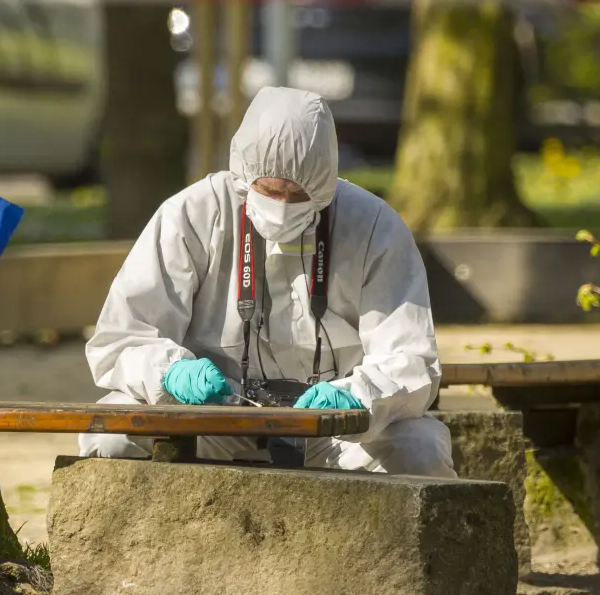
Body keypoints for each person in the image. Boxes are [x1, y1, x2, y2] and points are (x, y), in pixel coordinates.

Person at [81, 86, 456, 478]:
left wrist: (354, 399)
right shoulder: (191, 215)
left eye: (298, 195)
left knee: (418, 450)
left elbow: (411, 360)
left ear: (326, 185)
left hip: (339, 434)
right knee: (112, 439)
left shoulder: (374, 228)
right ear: (244, 173)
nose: (281, 206)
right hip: (212, 422)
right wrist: (170, 373)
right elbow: (121, 339)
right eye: (269, 190)